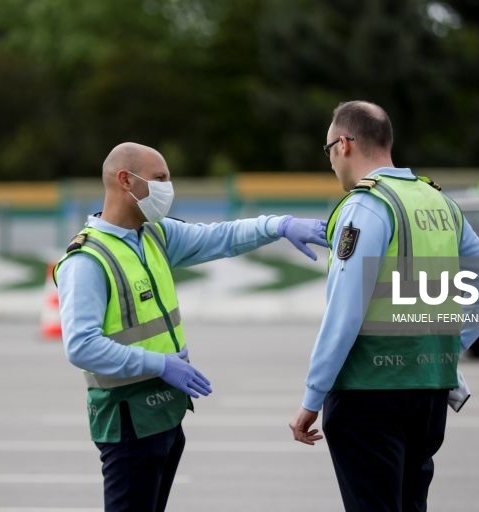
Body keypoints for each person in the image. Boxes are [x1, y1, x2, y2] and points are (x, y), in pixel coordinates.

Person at [54, 142, 328, 512]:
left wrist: (277, 225)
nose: (168, 188)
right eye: (160, 178)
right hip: (129, 422)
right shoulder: (87, 259)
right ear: (125, 180)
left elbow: (221, 237)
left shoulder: (153, 234)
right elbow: (81, 346)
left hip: (164, 416)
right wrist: (160, 364)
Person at [289, 101, 479, 511]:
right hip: (430, 389)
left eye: (328, 150)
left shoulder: (366, 205)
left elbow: (345, 313)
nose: (330, 161)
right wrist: (449, 345)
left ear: (344, 145)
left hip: (369, 393)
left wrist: (312, 398)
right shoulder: (438, 202)